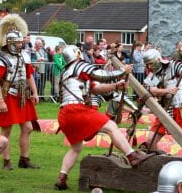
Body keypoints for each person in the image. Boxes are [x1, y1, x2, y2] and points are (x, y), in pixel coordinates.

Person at [54, 45, 154, 190]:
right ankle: (132, 156)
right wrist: (122, 71)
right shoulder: (80, 65)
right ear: (76, 54)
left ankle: (61, 178)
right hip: (76, 109)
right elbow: (100, 74)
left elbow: (95, 88)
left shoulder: (67, 72)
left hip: (64, 113)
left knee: (76, 148)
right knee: (111, 127)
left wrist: (115, 86)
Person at [0, 14, 39, 170]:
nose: (20, 45)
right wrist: (1, 101)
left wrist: (35, 92)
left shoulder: (24, 56)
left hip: (22, 96)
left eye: (20, 42)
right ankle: (6, 162)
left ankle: (24, 160)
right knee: (7, 129)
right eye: (17, 43)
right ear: (9, 42)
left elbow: (29, 75)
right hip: (7, 95)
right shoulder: (0, 57)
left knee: (28, 128)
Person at [141, 49, 182, 151]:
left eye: (151, 63)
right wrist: (168, 90)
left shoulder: (173, 66)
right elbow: (154, 91)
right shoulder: (151, 76)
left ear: (158, 59)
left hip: (180, 108)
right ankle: (159, 158)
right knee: (150, 141)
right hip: (164, 110)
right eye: (147, 65)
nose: (149, 67)